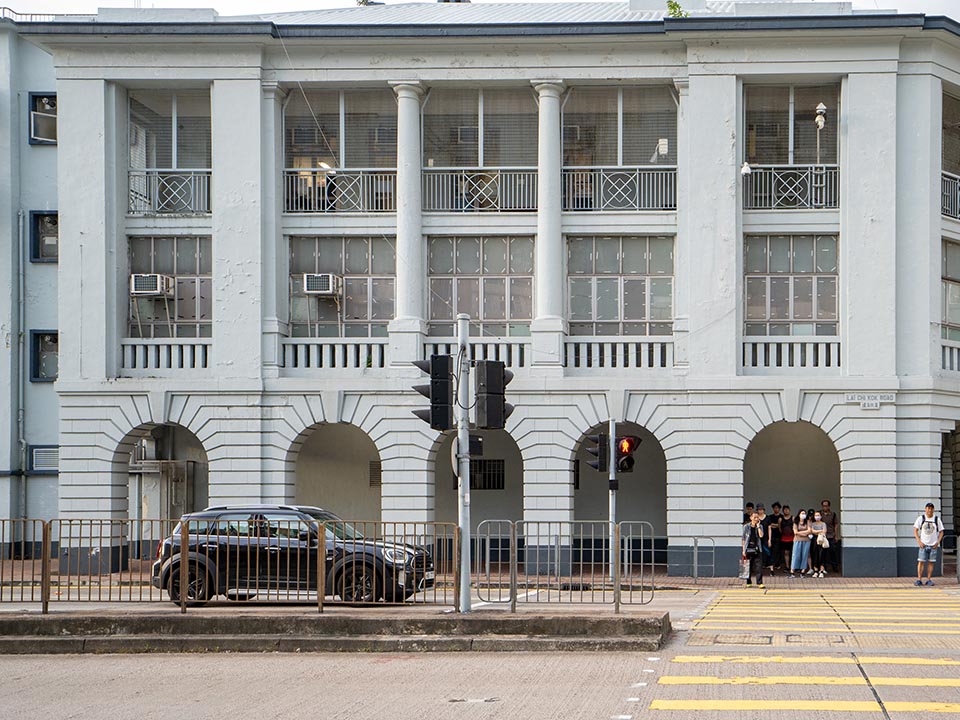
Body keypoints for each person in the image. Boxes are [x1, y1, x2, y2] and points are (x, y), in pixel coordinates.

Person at [914, 502, 945, 586]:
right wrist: (919, 541)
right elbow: (915, 530)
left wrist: (938, 542)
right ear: (925, 509)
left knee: (931, 562)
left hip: (933, 545)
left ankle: (929, 579)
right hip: (923, 544)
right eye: (928, 508)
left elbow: (941, 531)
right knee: (921, 561)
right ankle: (919, 579)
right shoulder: (921, 518)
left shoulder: (936, 519)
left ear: (933, 509)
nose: (929, 510)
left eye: (931, 508)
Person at [742, 511, 765, 588]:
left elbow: (761, 536)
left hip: (757, 548)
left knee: (759, 567)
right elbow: (743, 539)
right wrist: (743, 550)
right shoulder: (746, 527)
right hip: (748, 548)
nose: (756, 519)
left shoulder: (760, 526)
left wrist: (758, 526)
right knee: (748, 566)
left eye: (757, 517)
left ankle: (759, 583)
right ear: (751, 518)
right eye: (754, 517)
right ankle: (748, 581)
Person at [790, 509, 813, 578]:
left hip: (806, 541)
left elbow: (809, 530)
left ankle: (802, 571)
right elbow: (795, 532)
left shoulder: (808, 522)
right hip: (797, 540)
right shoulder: (796, 522)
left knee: (805, 555)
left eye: (804, 513)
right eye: (802, 513)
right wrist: (805, 533)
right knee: (795, 555)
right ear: (799, 514)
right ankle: (792, 571)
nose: (803, 515)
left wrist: (800, 533)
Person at [820, 499, 840, 573]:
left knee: (832, 552)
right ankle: (823, 567)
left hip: (831, 535)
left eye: (826, 506)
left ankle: (834, 567)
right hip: (822, 536)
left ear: (829, 506)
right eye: (823, 506)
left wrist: (836, 535)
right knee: (823, 552)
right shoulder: (820, 514)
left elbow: (836, 524)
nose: (825, 507)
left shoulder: (833, 514)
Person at [809, 510, 828, 577]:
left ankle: (821, 571)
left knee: (822, 555)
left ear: (821, 516)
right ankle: (816, 571)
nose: (817, 517)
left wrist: (817, 531)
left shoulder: (823, 524)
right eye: (816, 515)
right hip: (814, 540)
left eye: (818, 515)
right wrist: (820, 531)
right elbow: (812, 531)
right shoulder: (813, 524)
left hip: (822, 540)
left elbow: (824, 531)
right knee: (815, 555)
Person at [766, 502, 782, 572]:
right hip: (771, 536)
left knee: (778, 550)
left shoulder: (781, 516)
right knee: (770, 550)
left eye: (777, 508)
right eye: (774, 508)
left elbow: (780, 526)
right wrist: (777, 525)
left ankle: (777, 564)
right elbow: (769, 525)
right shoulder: (770, 516)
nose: (776, 509)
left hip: (779, 536)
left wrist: (775, 525)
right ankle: (770, 563)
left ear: (779, 509)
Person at [779, 505, 794, 573]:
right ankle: (787, 566)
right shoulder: (780, 519)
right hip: (784, 538)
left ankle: (793, 566)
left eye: (787, 509)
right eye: (785, 510)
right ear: (783, 511)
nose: (786, 511)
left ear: (789, 510)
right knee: (786, 552)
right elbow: (779, 528)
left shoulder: (793, 518)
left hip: (792, 538)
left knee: (793, 553)